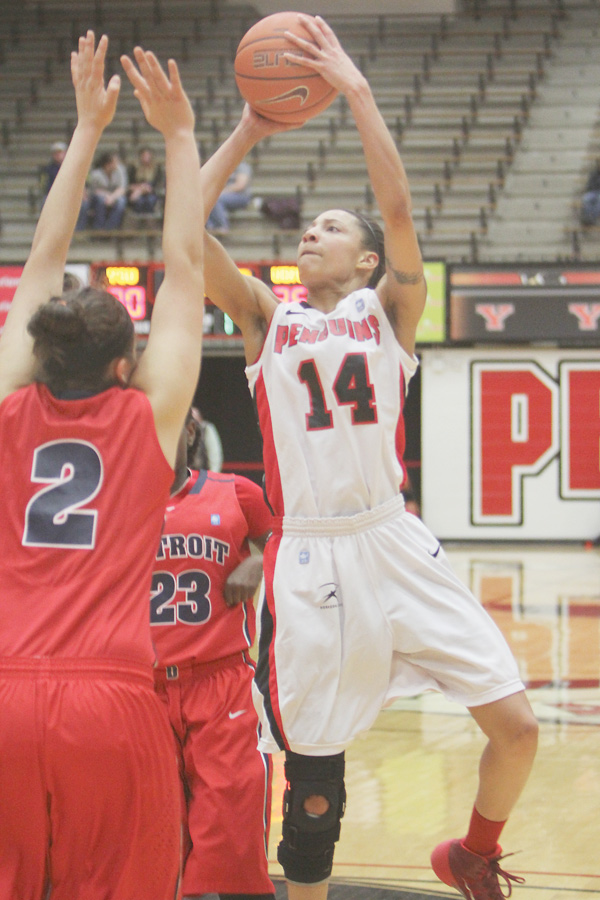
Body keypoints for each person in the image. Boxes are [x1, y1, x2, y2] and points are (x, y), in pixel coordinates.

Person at [198, 15, 538, 900]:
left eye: (330, 225)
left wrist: (355, 88)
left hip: (392, 537)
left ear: (368, 258)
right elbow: (183, 232)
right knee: (314, 782)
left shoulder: (388, 309)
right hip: (308, 554)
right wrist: (246, 128)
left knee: (518, 727)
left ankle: (472, 852)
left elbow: (398, 208)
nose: (312, 233)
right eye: (308, 226)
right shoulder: (269, 319)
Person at [0, 31, 204, 898]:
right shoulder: (147, 419)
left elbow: (41, 263)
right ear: (127, 366)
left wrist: (85, 129)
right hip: (112, 703)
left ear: (40, 354)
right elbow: (186, 269)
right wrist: (181, 136)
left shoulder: (9, 407)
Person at [151, 410, 275, 900]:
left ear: (190, 432)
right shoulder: (113, 500)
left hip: (222, 684)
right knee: (154, 844)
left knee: (232, 840)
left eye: (168, 423)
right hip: (143, 691)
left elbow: (294, 537)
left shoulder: (235, 492)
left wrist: (262, 559)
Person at [206, 159, 252, 234]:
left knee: (217, 199)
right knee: (207, 198)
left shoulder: (242, 166)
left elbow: (240, 185)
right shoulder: (223, 167)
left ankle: (222, 225)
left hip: (241, 196)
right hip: (225, 195)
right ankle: (210, 226)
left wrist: (221, 192)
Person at [88, 149, 128, 228]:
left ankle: (110, 229)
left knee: (121, 201)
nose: (117, 164)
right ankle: (98, 228)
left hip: (114, 195)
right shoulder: (96, 174)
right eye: (115, 162)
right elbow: (93, 190)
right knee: (100, 200)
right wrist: (107, 196)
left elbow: (122, 188)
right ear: (108, 164)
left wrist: (112, 197)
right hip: (99, 196)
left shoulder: (120, 170)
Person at [127, 145, 164, 214]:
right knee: (139, 202)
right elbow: (129, 183)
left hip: (151, 191)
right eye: (144, 156)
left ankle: (149, 221)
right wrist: (140, 189)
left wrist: (145, 189)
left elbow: (159, 184)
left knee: (150, 200)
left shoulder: (157, 168)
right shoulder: (133, 167)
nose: (146, 158)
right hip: (136, 189)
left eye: (148, 156)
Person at [189, 405, 224, 471]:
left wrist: (213, 474)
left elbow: (214, 454)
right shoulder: (183, 432)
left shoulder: (206, 429)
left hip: (204, 473)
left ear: (200, 419)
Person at [580, 160, 600, 226]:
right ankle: (587, 216)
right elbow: (590, 183)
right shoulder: (594, 173)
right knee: (586, 199)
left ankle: (593, 217)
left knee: (599, 201)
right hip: (593, 191)